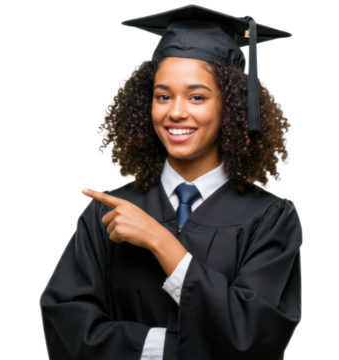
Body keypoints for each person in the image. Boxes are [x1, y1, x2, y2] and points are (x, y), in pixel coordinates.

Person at [39, 4, 302, 360]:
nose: (176, 112)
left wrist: (161, 242)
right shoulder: (108, 214)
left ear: (232, 105)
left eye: (197, 97)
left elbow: (255, 334)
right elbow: (67, 324)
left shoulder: (271, 219)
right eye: (163, 96)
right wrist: (167, 347)